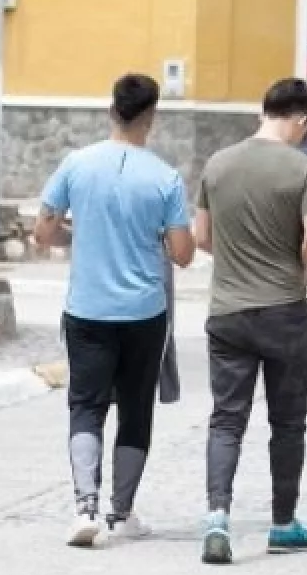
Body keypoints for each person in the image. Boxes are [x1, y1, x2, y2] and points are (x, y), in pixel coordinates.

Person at [33, 74, 196, 548]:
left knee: (86, 405)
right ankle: (121, 513)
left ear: (111, 111)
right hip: (144, 313)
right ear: (151, 117)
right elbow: (183, 253)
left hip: (87, 308)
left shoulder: (76, 164)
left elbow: (43, 233)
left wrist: (77, 235)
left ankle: (84, 507)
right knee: (135, 409)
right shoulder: (165, 178)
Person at [193, 79, 307, 564]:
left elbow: (202, 237)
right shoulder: (306, 170)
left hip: (228, 310)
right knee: (287, 422)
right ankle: (283, 524)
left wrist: (237, 256)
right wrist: (300, 262)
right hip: (284, 310)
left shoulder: (217, 164)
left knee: (226, 419)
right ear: (300, 119)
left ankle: (217, 518)